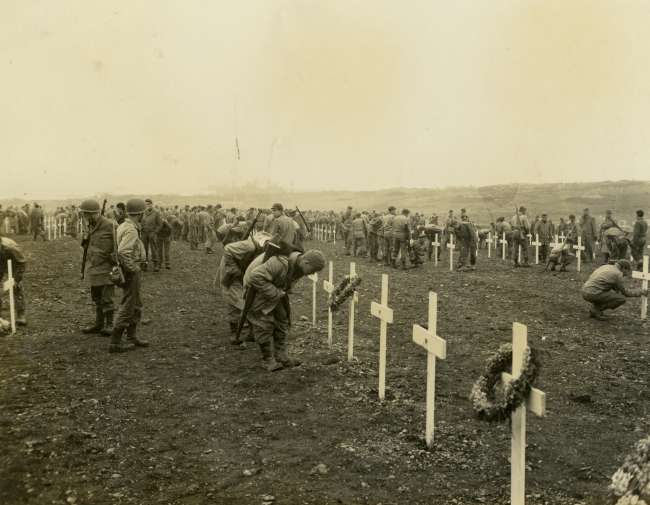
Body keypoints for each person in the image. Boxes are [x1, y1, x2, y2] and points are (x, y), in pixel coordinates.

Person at [243, 249, 325, 371]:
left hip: (275, 291)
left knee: (282, 321)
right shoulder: (279, 263)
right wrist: (275, 293)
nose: (311, 274)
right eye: (312, 270)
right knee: (264, 324)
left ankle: (280, 355)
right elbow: (255, 277)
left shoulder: (298, 267)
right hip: (257, 291)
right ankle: (267, 360)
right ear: (306, 262)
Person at [218, 232, 271, 346]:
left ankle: (250, 333)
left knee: (246, 300)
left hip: (240, 274)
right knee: (236, 300)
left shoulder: (256, 248)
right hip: (231, 275)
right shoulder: (250, 246)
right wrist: (234, 270)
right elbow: (227, 249)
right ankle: (234, 333)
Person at [110, 198, 149, 353]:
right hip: (130, 271)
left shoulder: (125, 225)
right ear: (139, 214)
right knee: (128, 305)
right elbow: (123, 252)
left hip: (127, 270)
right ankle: (115, 342)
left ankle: (131, 337)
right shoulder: (131, 229)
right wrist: (133, 269)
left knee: (136, 303)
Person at [79, 199, 116, 336]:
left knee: (107, 298)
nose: (83, 217)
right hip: (93, 267)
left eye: (85, 214)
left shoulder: (110, 225)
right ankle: (99, 324)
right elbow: (86, 246)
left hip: (106, 268)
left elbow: (119, 247)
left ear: (92, 213)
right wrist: (85, 238)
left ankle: (110, 324)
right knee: (96, 297)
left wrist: (114, 260)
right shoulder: (90, 226)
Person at [581, 259, 647, 320]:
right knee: (620, 299)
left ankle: (595, 309)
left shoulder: (607, 266)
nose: (626, 274)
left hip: (585, 290)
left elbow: (613, 287)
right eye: (627, 271)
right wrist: (640, 292)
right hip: (592, 293)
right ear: (623, 268)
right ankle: (596, 310)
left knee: (609, 294)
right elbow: (625, 293)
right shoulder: (617, 273)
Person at [0, 236, 27, 326]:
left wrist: (16, 279)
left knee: (16, 286)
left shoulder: (10, 247)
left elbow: (21, 262)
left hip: (14, 263)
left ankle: (21, 314)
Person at [141, 198, 162, 271]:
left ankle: (156, 265)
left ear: (152, 204)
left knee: (154, 249)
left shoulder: (156, 212)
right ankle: (145, 265)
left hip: (152, 233)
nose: (147, 206)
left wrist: (155, 232)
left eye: (149, 204)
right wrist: (142, 228)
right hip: (144, 233)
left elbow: (160, 224)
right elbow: (141, 222)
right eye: (146, 204)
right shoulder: (143, 212)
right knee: (144, 250)